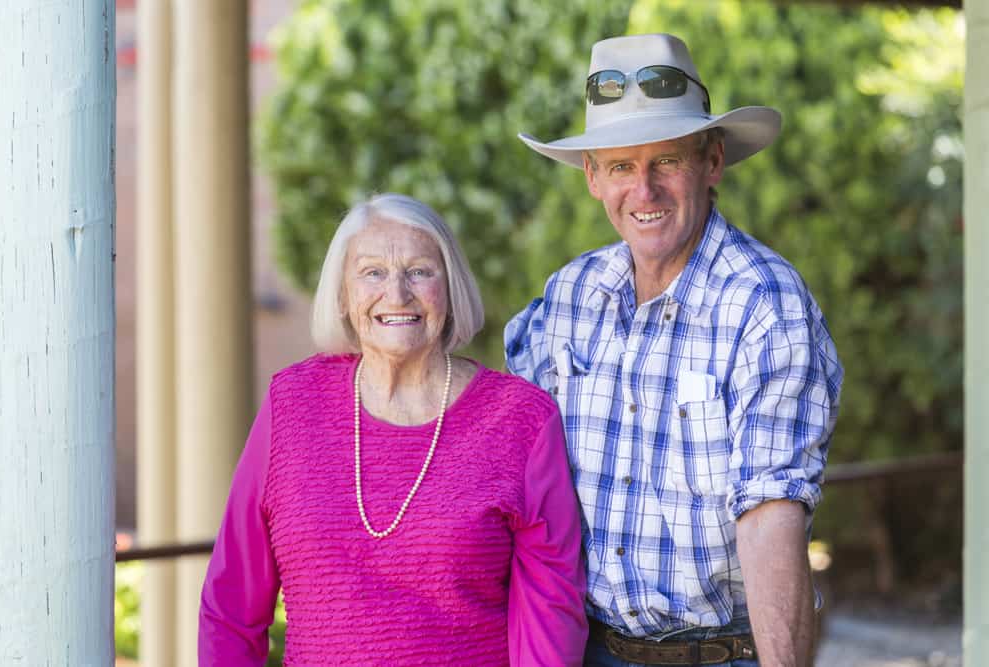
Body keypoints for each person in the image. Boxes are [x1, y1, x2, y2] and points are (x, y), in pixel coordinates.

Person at [505, 34, 843, 667]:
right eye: (621, 167)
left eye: (666, 161)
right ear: (592, 178)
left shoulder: (765, 303)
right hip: (587, 651)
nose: (645, 190)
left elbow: (771, 519)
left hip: (721, 656)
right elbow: (503, 463)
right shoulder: (569, 296)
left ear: (712, 161)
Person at [199, 193, 587, 666]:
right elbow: (231, 606)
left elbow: (550, 616)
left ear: (451, 288)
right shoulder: (292, 404)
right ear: (343, 295)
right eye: (372, 273)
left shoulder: (520, 419)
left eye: (420, 271)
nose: (397, 294)